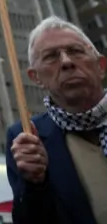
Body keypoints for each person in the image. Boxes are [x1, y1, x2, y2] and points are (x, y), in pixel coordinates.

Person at [6, 16, 107, 224]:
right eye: (51, 57)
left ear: (101, 65)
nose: (67, 62)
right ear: (36, 77)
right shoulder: (27, 138)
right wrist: (35, 183)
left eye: (76, 51)